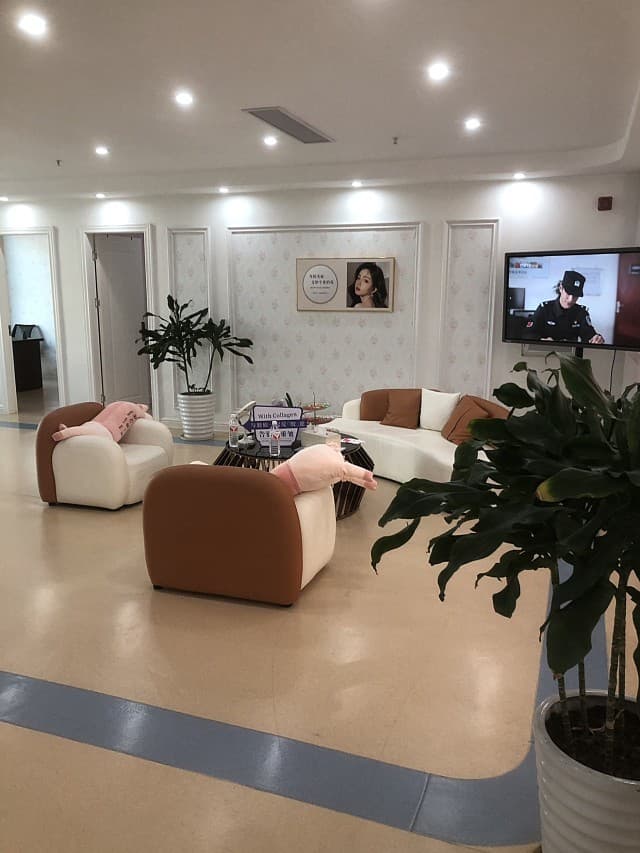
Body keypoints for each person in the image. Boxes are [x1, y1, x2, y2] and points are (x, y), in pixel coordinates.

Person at [526, 270, 604, 344]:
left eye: (575, 296)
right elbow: (527, 334)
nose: (570, 300)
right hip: (545, 350)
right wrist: (541, 340)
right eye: (568, 293)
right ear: (561, 288)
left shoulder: (581, 312)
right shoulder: (544, 309)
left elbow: (589, 335)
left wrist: (596, 338)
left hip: (571, 352)